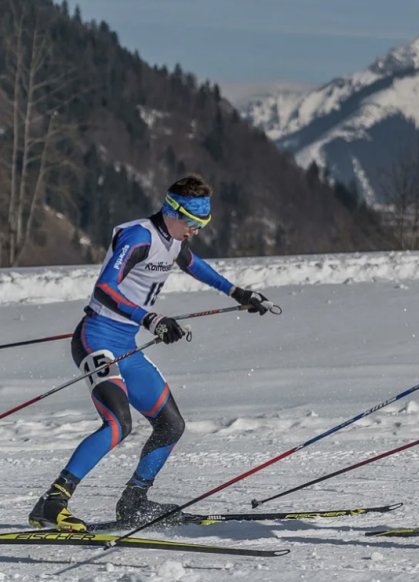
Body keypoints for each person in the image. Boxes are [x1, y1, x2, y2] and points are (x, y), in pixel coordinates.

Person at [28, 174, 273, 532]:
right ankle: (51, 503)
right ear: (171, 210)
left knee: (171, 424)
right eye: (191, 222)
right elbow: (105, 287)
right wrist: (151, 317)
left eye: (202, 224)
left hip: (126, 345)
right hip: (96, 339)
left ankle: (134, 501)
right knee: (118, 423)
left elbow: (192, 263)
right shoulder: (138, 236)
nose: (195, 231)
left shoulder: (173, 240)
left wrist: (237, 293)